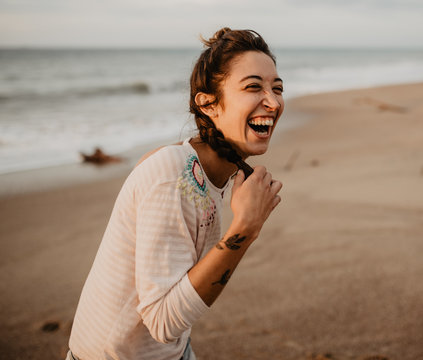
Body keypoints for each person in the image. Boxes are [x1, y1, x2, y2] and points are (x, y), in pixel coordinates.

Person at [66, 27, 284, 359]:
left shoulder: (210, 170)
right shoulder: (172, 175)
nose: (273, 101)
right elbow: (163, 322)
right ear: (209, 104)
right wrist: (246, 228)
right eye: (253, 86)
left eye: (277, 88)